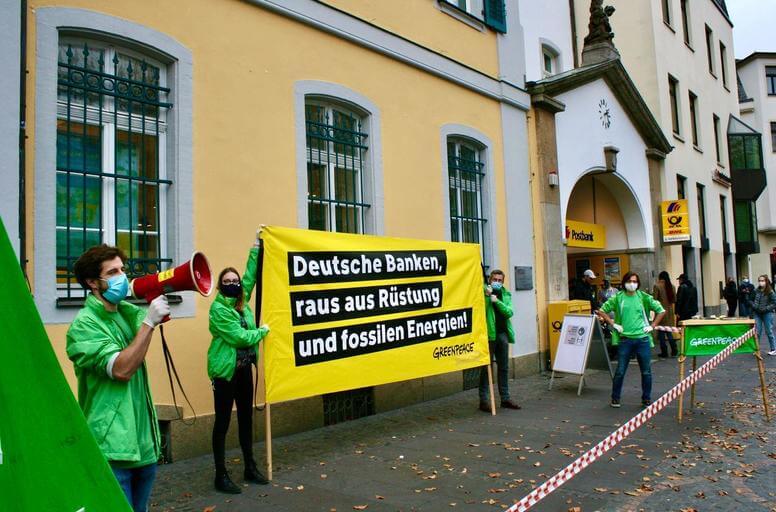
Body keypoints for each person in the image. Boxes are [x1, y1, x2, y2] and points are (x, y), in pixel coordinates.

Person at [66, 245, 170, 512]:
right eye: (112, 272)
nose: (122, 276)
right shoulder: (84, 326)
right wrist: (148, 323)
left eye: (122, 270)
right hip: (112, 449)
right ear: (92, 282)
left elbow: (143, 327)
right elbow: (122, 369)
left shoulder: (125, 313)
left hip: (143, 444)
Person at [208, 233, 271, 493]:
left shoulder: (242, 303)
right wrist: (262, 332)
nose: (233, 284)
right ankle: (220, 474)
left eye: (235, 281)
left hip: (244, 371)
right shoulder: (218, 309)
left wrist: (257, 247)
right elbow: (238, 337)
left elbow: (250, 276)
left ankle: (249, 466)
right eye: (227, 281)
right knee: (222, 422)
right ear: (221, 285)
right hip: (225, 373)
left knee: (246, 420)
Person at [596, 271, 665, 408]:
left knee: (646, 371)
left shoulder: (642, 297)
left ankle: (646, 398)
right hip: (625, 340)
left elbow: (661, 310)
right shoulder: (618, 298)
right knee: (620, 371)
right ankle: (615, 398)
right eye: (629, 281)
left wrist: (653, 326)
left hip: (643, 339)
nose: (632, 284)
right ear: (624, 283)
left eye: (634, 281)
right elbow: (602, 310)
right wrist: (613, 323)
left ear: (638, 283)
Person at [479, 269, 521, 412]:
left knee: (504, 367)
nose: (497, 282)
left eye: (499, 280)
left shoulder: (505, 293)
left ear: (503, 281)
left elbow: (509, 312)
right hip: (489, 334)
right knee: (486, 368)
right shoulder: (483, 292)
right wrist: (487, 297)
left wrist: (496, 301)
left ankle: (505, 398)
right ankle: (484, 400)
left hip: (502, 334)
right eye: (494, 279)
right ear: (490, 279)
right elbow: (480, 311)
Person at [747, 275, 776, 356]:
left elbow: (774, 303)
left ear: (766, 281)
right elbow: (750, 300)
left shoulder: (770, 291)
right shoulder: (756, 290)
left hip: (767, 313)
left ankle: (773, 349)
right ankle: (756, 349)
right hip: (757, 313)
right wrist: (754, 306)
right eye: (759, 280)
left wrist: (766, 308)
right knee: (757, 331)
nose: (761, 282)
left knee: (769, 331)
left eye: (762, 280)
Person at [652, 271, 677, 358]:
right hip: (669, 312)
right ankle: (674, 350)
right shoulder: (672, 286)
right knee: (669, 332)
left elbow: (654, 300)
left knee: (661, 333)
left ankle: (664, 352)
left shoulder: (657, 286)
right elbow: (674, 299)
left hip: (660, 312)